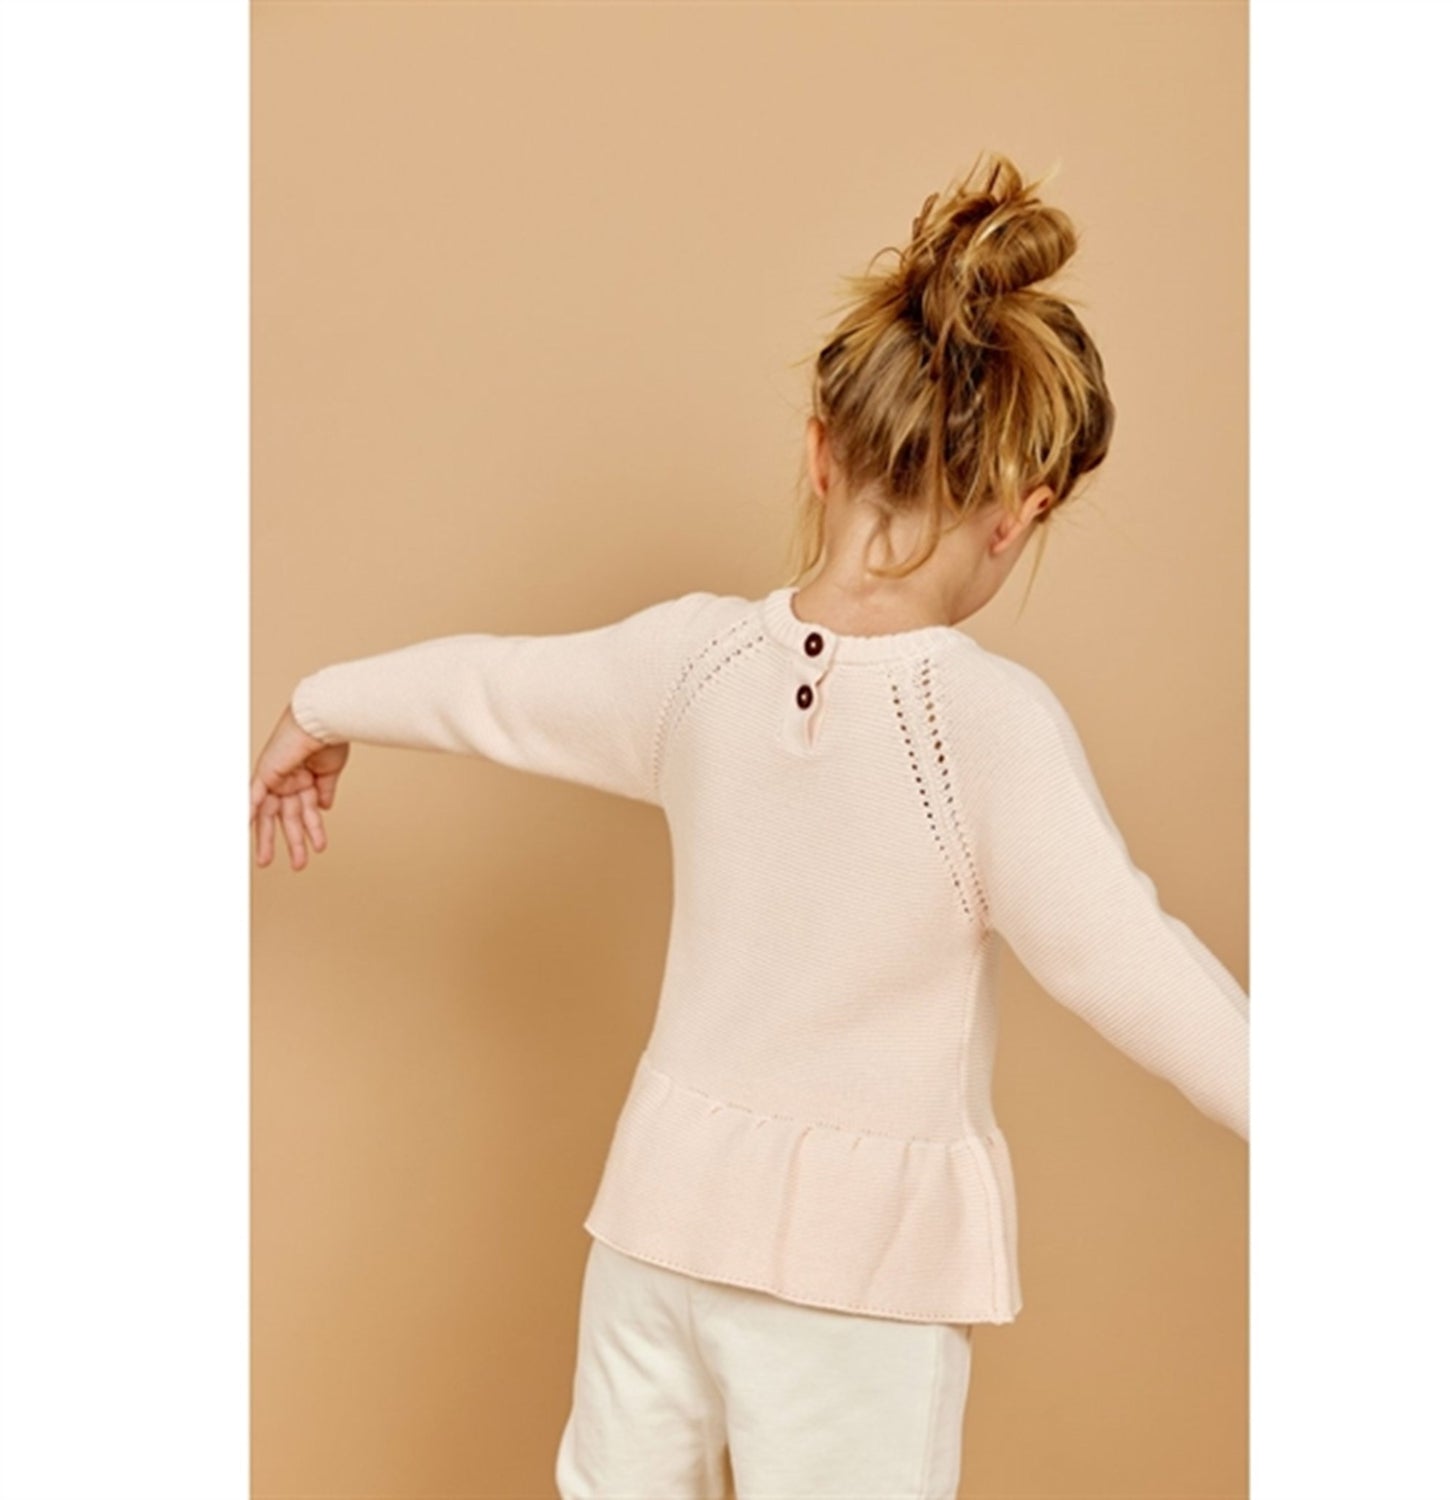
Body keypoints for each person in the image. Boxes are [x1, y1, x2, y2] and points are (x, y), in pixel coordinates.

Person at [250, 150, 1248, 1500]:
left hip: (652, 1234)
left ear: (820, 450)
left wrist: (321, 705)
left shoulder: (695, 664)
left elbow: (499, 686)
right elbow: (1132, 966)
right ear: (1022, 516)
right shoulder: (986, 727)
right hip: (857, 1283)